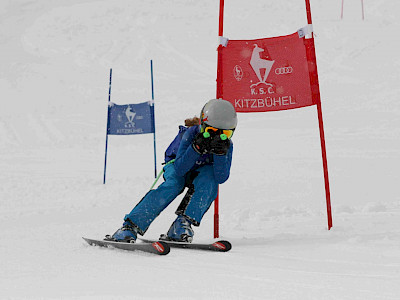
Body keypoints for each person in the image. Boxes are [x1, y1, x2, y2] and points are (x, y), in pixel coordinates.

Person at [110, 99, 238, 243]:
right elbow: (180, 168)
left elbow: (221, 177)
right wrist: (196, 148)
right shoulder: (190, 135)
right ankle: (130, 226)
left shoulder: (227, 145)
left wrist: (220, 154)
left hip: (201, 171)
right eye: (210, 131)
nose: (217, 137)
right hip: (177, 165)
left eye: (224, 134)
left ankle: (182, 224)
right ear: (202, 125)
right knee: (174, 184)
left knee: (210, 181)